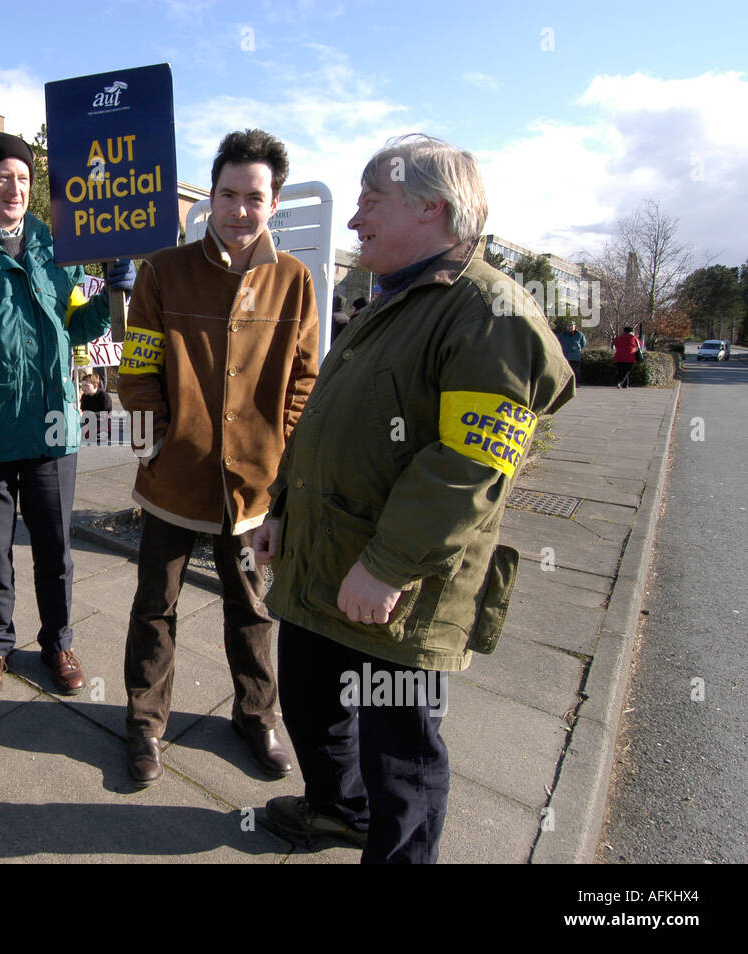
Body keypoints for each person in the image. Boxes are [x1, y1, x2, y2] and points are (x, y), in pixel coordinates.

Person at [256, 134, 574, 862]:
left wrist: (390, 566)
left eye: (371, 199)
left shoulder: (491, 314)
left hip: (392, 590)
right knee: (312, 705)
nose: (354, 218)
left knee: (402, 757)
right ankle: (337, 811)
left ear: (432, 206)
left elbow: (469, 464)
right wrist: (279, 509)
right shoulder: (389, 302)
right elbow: (327, 423)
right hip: (322, 567)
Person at [118, 129, 320, 787]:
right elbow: (137, 371)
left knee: (253, 609)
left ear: (274, 202)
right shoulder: (163, 270)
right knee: (156, 604)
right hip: (173, 480)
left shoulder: (294, 282)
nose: (239, 209)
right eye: (228, 194)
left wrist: (282, 464)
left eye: (253, 197)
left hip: (253, 487)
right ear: (211, 195)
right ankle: (146, 725)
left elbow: (304, 381)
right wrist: (156, 442)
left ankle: (257, 716)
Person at [0, 127, 134, 702]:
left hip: (52, 432)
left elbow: (81, 330)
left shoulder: (56, 250)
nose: (15, 187)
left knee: (54, 550)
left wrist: (112, 295)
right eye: (3, 177)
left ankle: (57, 643)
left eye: (24, 178)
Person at [79, 370, 112, 443]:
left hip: (102, 421)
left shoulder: (104, 396)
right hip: (90, 421)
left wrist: (86, 414)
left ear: (95, 386)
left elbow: (106, 414)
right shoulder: (85, 396)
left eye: (87, 386)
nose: (83, 388)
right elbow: (83, 410)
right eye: (83, 385)